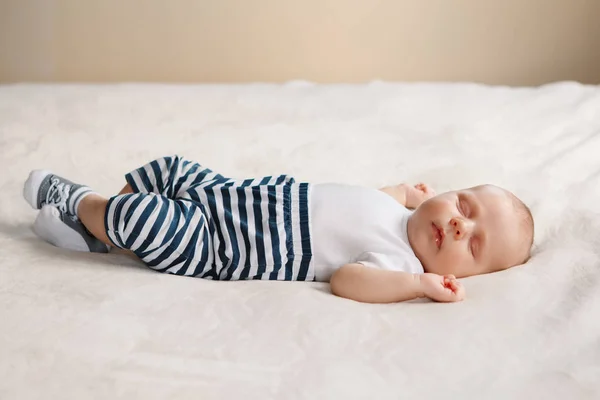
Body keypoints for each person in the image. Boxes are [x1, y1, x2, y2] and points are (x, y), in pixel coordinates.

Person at [23, 155, 534, 304]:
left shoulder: (399, 264)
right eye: (463, 204)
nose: (459, 224)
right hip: (232, 194)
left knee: (145, 218)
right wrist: (404, 191)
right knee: (171, 168)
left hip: (220, 244)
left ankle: (82, 203)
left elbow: (348, 281)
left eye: (475, 244)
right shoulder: (396, 213)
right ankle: (99, 236)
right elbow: (369, 203)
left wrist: (417, 285)